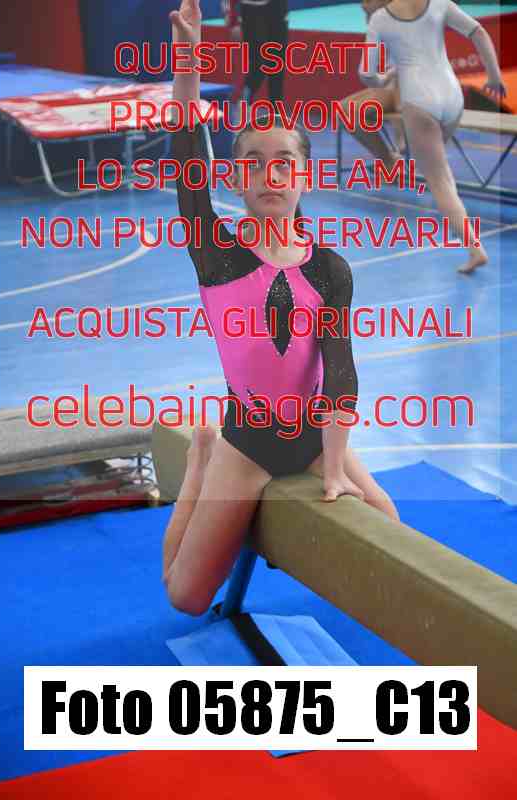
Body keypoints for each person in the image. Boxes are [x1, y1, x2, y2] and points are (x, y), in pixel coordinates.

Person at [163, 0, 399, 617]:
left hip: (315, 437)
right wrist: (189, 61)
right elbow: (188, 157)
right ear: (236, 178)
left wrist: (334, 468)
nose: (270, 175)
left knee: (389, 523)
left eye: (284, 163)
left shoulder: (330, 270)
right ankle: (200, 458)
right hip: (247, 442)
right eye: (254, 163)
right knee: (186, 596)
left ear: (304, 176)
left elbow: (340, 371)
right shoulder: (217, 254)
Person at [358, 0, 507, 274]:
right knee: (442, 174)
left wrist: (382, 80)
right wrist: (494, 76)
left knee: (439, 183)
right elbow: (479, 33)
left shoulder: (380, 18)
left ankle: (475, 250)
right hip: (452, 97)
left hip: (419, 101)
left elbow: (366, 73)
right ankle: (472, 243)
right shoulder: (440, 3)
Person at [342, 0, 405, 171]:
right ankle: (388, 159)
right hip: (393, 84)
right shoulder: (380, 23)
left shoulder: (407, 19)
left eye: (368, 1)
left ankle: (397, 151)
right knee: (344, 110)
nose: (362, 5)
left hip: (416, 86)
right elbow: (370, 73)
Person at [222, 0, 289, 104]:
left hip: (278, 8)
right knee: (258, 67)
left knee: (277, 66)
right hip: (252, 10)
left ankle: (276, 111)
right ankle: (243, 103)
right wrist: (233, 22)